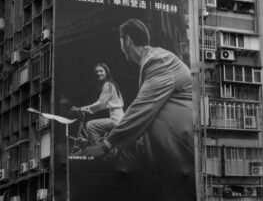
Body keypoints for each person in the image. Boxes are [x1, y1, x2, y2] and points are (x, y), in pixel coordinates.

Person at [81, 18, 193, 170]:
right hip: (174, 140)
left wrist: (105, 145)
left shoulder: (157, 60)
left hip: (181, 145)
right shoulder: (152, 60)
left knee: (104, 146)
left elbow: (141, 108)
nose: (120, 46)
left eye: (120, 41)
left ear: (127, 40)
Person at [72, 63, 124, 148]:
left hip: (116, 120)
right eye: (97, 72)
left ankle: (100, 150)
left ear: (106, 72)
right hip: (120, 117)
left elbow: (100, 104)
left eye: (101, 71)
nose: (99, 73)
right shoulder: (112, 84)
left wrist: (81, 109)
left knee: (90, 125)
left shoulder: (108, 85)